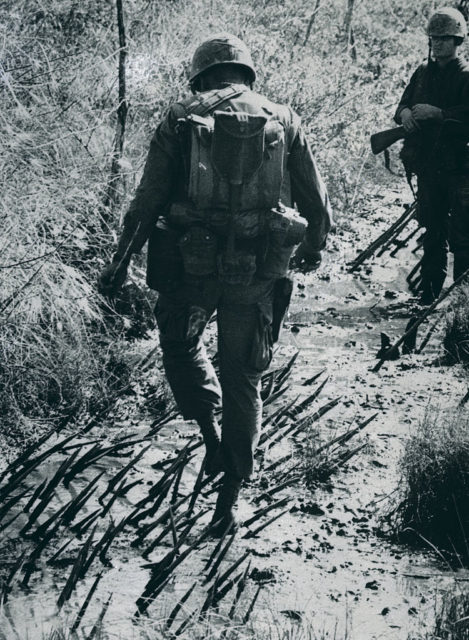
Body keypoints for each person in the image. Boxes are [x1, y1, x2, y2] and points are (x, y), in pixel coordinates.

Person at [98, 33, 332, 534]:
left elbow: (146, 202)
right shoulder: (283, 117)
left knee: (181, 348)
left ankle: (208, 432)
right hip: (258, 272)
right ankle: (228, 502)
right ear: (247, 74)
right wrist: (313, 247)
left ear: (201, 76)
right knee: (244, 378)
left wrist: (118, 266)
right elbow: (316, 200)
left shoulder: (180, 118)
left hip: (190, 269)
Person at [394, 7, 469, 305]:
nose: (437, 44)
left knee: (463, 239)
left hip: (460, 168)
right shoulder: (422, 73)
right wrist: (406, 114)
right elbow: (401, 106)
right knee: (433, 232)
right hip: (428, 167)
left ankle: (462, 303)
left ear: (457, 40)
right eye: (433, 38)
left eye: (443, 38)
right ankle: (429, 296)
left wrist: (440, 114)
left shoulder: (466, 77)